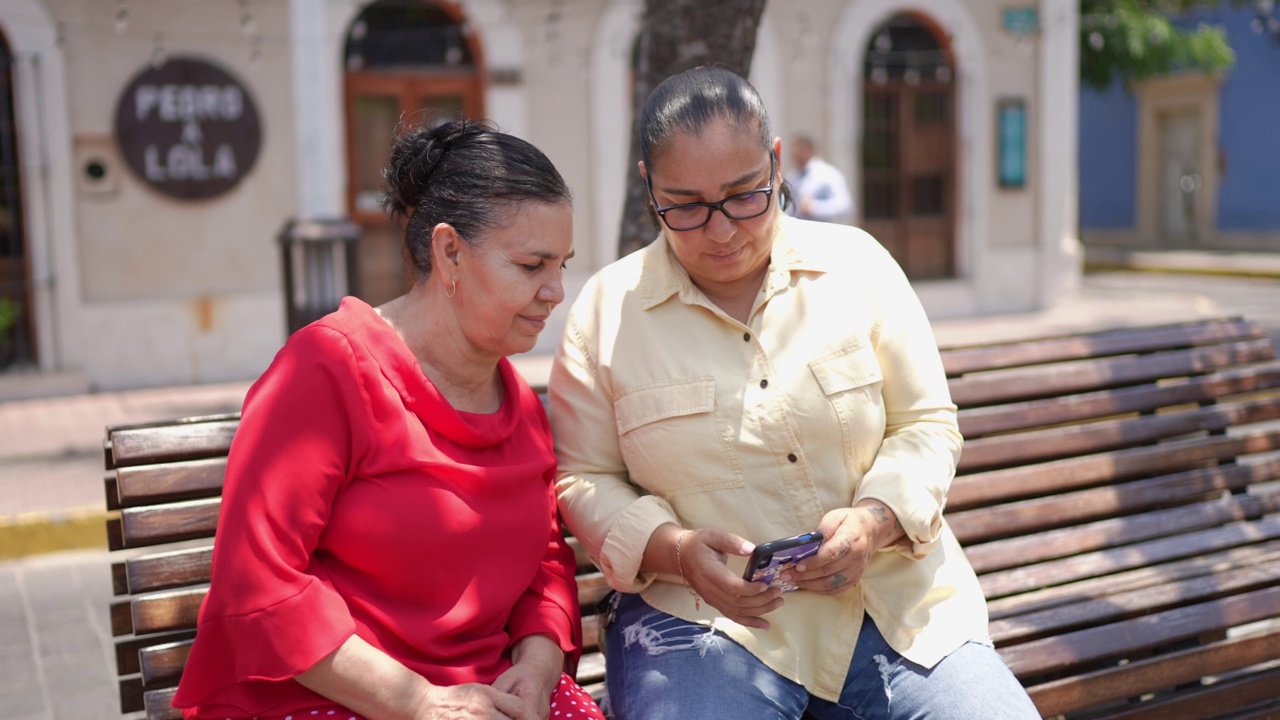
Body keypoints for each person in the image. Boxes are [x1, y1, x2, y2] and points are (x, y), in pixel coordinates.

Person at [548, 67, 1039, 720]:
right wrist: (676, 551)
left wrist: (874, 521)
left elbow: (925, 424)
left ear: (777, 165)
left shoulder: (858, 265)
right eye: (686, 206)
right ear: (648, 187)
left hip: (891, 606)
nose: (721, 231)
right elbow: (584, 478)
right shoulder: (606, 312)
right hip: (699, 626)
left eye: (745, 195)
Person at [172, 120, 605, 720]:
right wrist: (423, 704)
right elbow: (259, 581)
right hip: (330, 700)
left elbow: (544, 570)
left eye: (562, 264)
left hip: (488, 696)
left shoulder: (520, 403)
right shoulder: (326, 370)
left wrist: (535, 670)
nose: (556, 290)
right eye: (533, 265)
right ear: (449, 251)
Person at [785, 133, 853, 224]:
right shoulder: (793, 176)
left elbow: (844, 206)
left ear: (811, 150)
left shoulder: (828, 174)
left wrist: (814, 207)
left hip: (823, 232)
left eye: (801, 151)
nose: (796, 155)